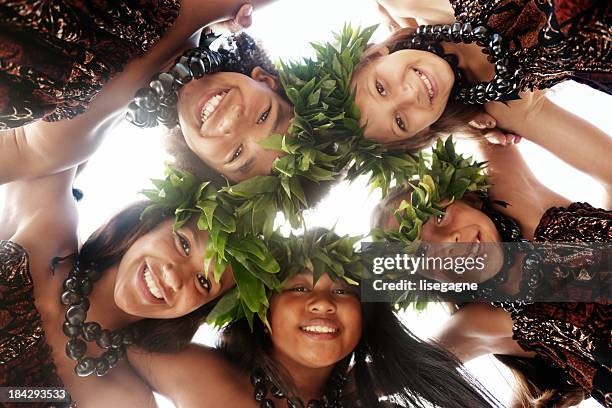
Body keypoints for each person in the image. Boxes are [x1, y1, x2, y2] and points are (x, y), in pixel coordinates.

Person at [127, 229, 498, 408]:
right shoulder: (199, 373)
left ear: (366, 318)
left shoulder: (372, 398)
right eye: (299, 289)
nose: (323, 304)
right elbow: (91, 339)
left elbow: (507, 309)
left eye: (343, 291)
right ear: (262, 310)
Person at [371, 138, 611, 406]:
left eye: (439, 215)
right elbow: (390, 374)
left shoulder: (527, 204)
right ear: (431, 281)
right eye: (423, 253)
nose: (448, 240)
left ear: (470, 199)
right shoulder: (488, 321)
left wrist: (485, 132)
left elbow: (487, 113)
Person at [0, 1, 296, 184]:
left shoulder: (73, 141)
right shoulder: (218, 4)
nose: (233, 124)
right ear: (265, 80)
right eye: (264, 116)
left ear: (203, 164)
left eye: (237, 154)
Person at [345, 0, 611, 188]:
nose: (408, 96)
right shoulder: (504, 106)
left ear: (376, 54)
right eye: (400, 121)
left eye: (380, 88)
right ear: (422, 132)